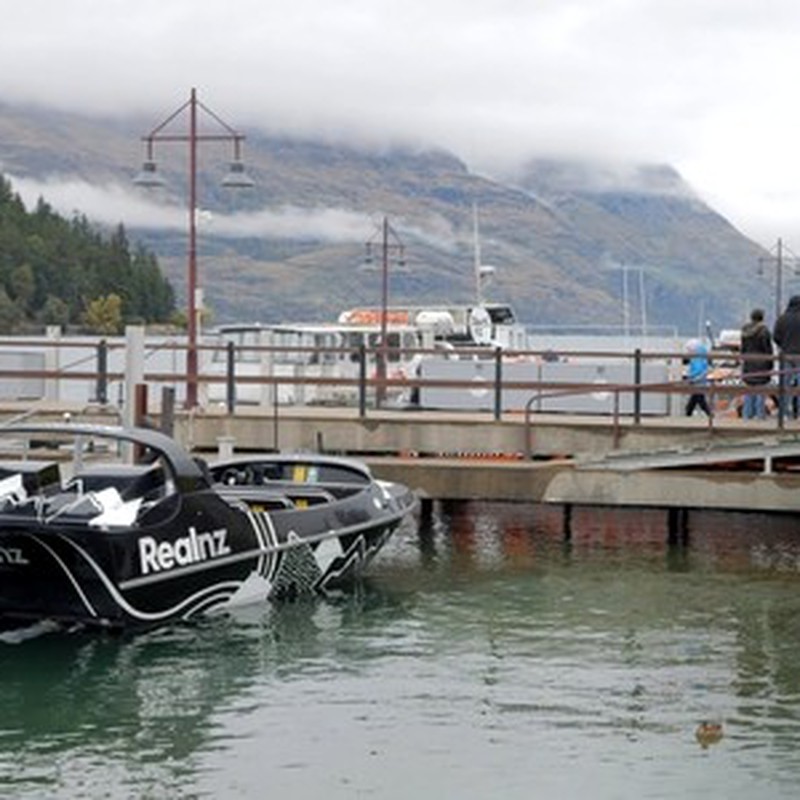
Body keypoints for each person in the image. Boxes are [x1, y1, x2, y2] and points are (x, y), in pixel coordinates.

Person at [740, 308, 773, 419]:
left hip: (748, 363)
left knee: (749, 391)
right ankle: (760, 416)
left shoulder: (745, 331)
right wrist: (770, 364)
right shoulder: (764, 331)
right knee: (761, 391)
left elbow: (743, 349)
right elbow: (768, 349)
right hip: (761, 364)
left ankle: (746, 416)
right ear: (762, 317)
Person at [773, 295, 800, 418]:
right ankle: (798, 413)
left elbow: (775, 337)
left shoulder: (782, 319)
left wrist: (783, 345)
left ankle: (784, 413)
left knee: (785, 386)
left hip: (786, 355)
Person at [684, 338, 712, 417]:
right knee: (697, 399)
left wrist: (690, 376)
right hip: (701, 380)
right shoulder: (702, 353)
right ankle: (688, 413)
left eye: (689, 350)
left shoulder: (696, 357)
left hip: (697, 380)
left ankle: (688, 413)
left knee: (699, 400)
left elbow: (698, 368)